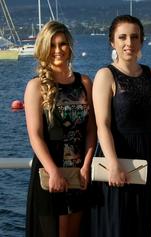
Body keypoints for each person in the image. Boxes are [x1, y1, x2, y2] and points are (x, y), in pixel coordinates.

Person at [24, 21, 97, 237]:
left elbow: (92, 130)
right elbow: (35, 136)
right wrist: (53, 172)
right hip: (49, 172)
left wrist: (86, 165)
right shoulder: (35, 86)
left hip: (78, 172)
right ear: (43, 48)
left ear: (70, 46)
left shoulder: (84, 82)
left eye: (63, 44)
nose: (58, 50)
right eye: (52, 45)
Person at [91, 15, 151, 237]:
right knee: (117, 225)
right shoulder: (105, 75)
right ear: (112, 42)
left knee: (143, 223)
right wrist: (112, 164)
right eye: (122, 37)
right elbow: (102, 124)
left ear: (141, 41)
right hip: (116, 155)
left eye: (134, 37)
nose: (128, 43)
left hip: (147, 155)